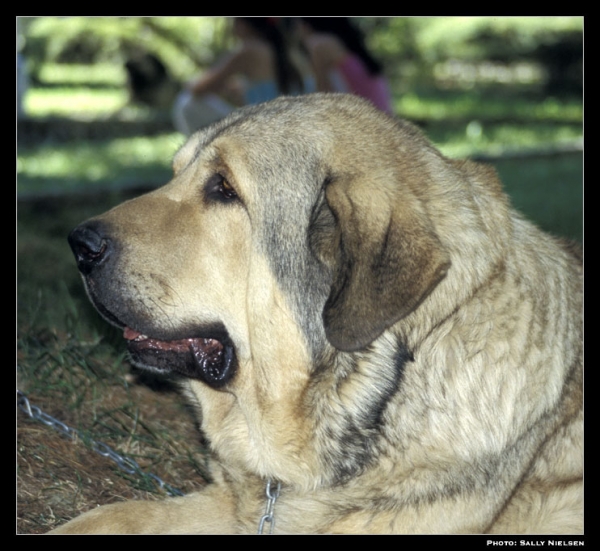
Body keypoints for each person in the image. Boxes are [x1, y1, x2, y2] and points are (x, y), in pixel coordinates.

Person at [173, 17, 314, 135]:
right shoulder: (292, 49)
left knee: (187, 102)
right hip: (302, 130)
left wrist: (189, 82)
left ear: (243, 25)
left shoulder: (249, 50)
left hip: (268, 135)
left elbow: (198, 88)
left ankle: (202, 158)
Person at [299, 17, 393, 114]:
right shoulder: (350, 48)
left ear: (307, 23)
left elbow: (322, 98)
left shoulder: (320, 44)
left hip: (366, 122)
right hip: (383, 120)